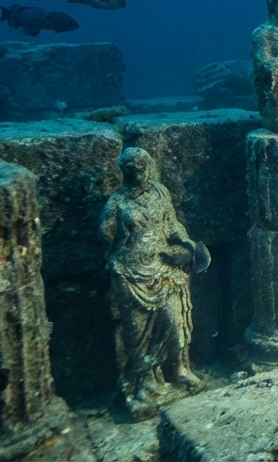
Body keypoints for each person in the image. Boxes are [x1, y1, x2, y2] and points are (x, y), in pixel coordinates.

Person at [99, 147, 209, 420]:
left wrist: (185, 242)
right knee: (136, 337)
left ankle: (179, 371)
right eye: (132, 169)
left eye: (142, 167)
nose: (139, 172)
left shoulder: (161, 192)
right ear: (124, 172)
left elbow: (171, 224)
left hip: (161, 267)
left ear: (148, 167)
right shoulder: (117, 202)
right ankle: (143, 382)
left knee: (175, 322)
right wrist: (120, 233)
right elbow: (103, 233)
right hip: (130, 272)